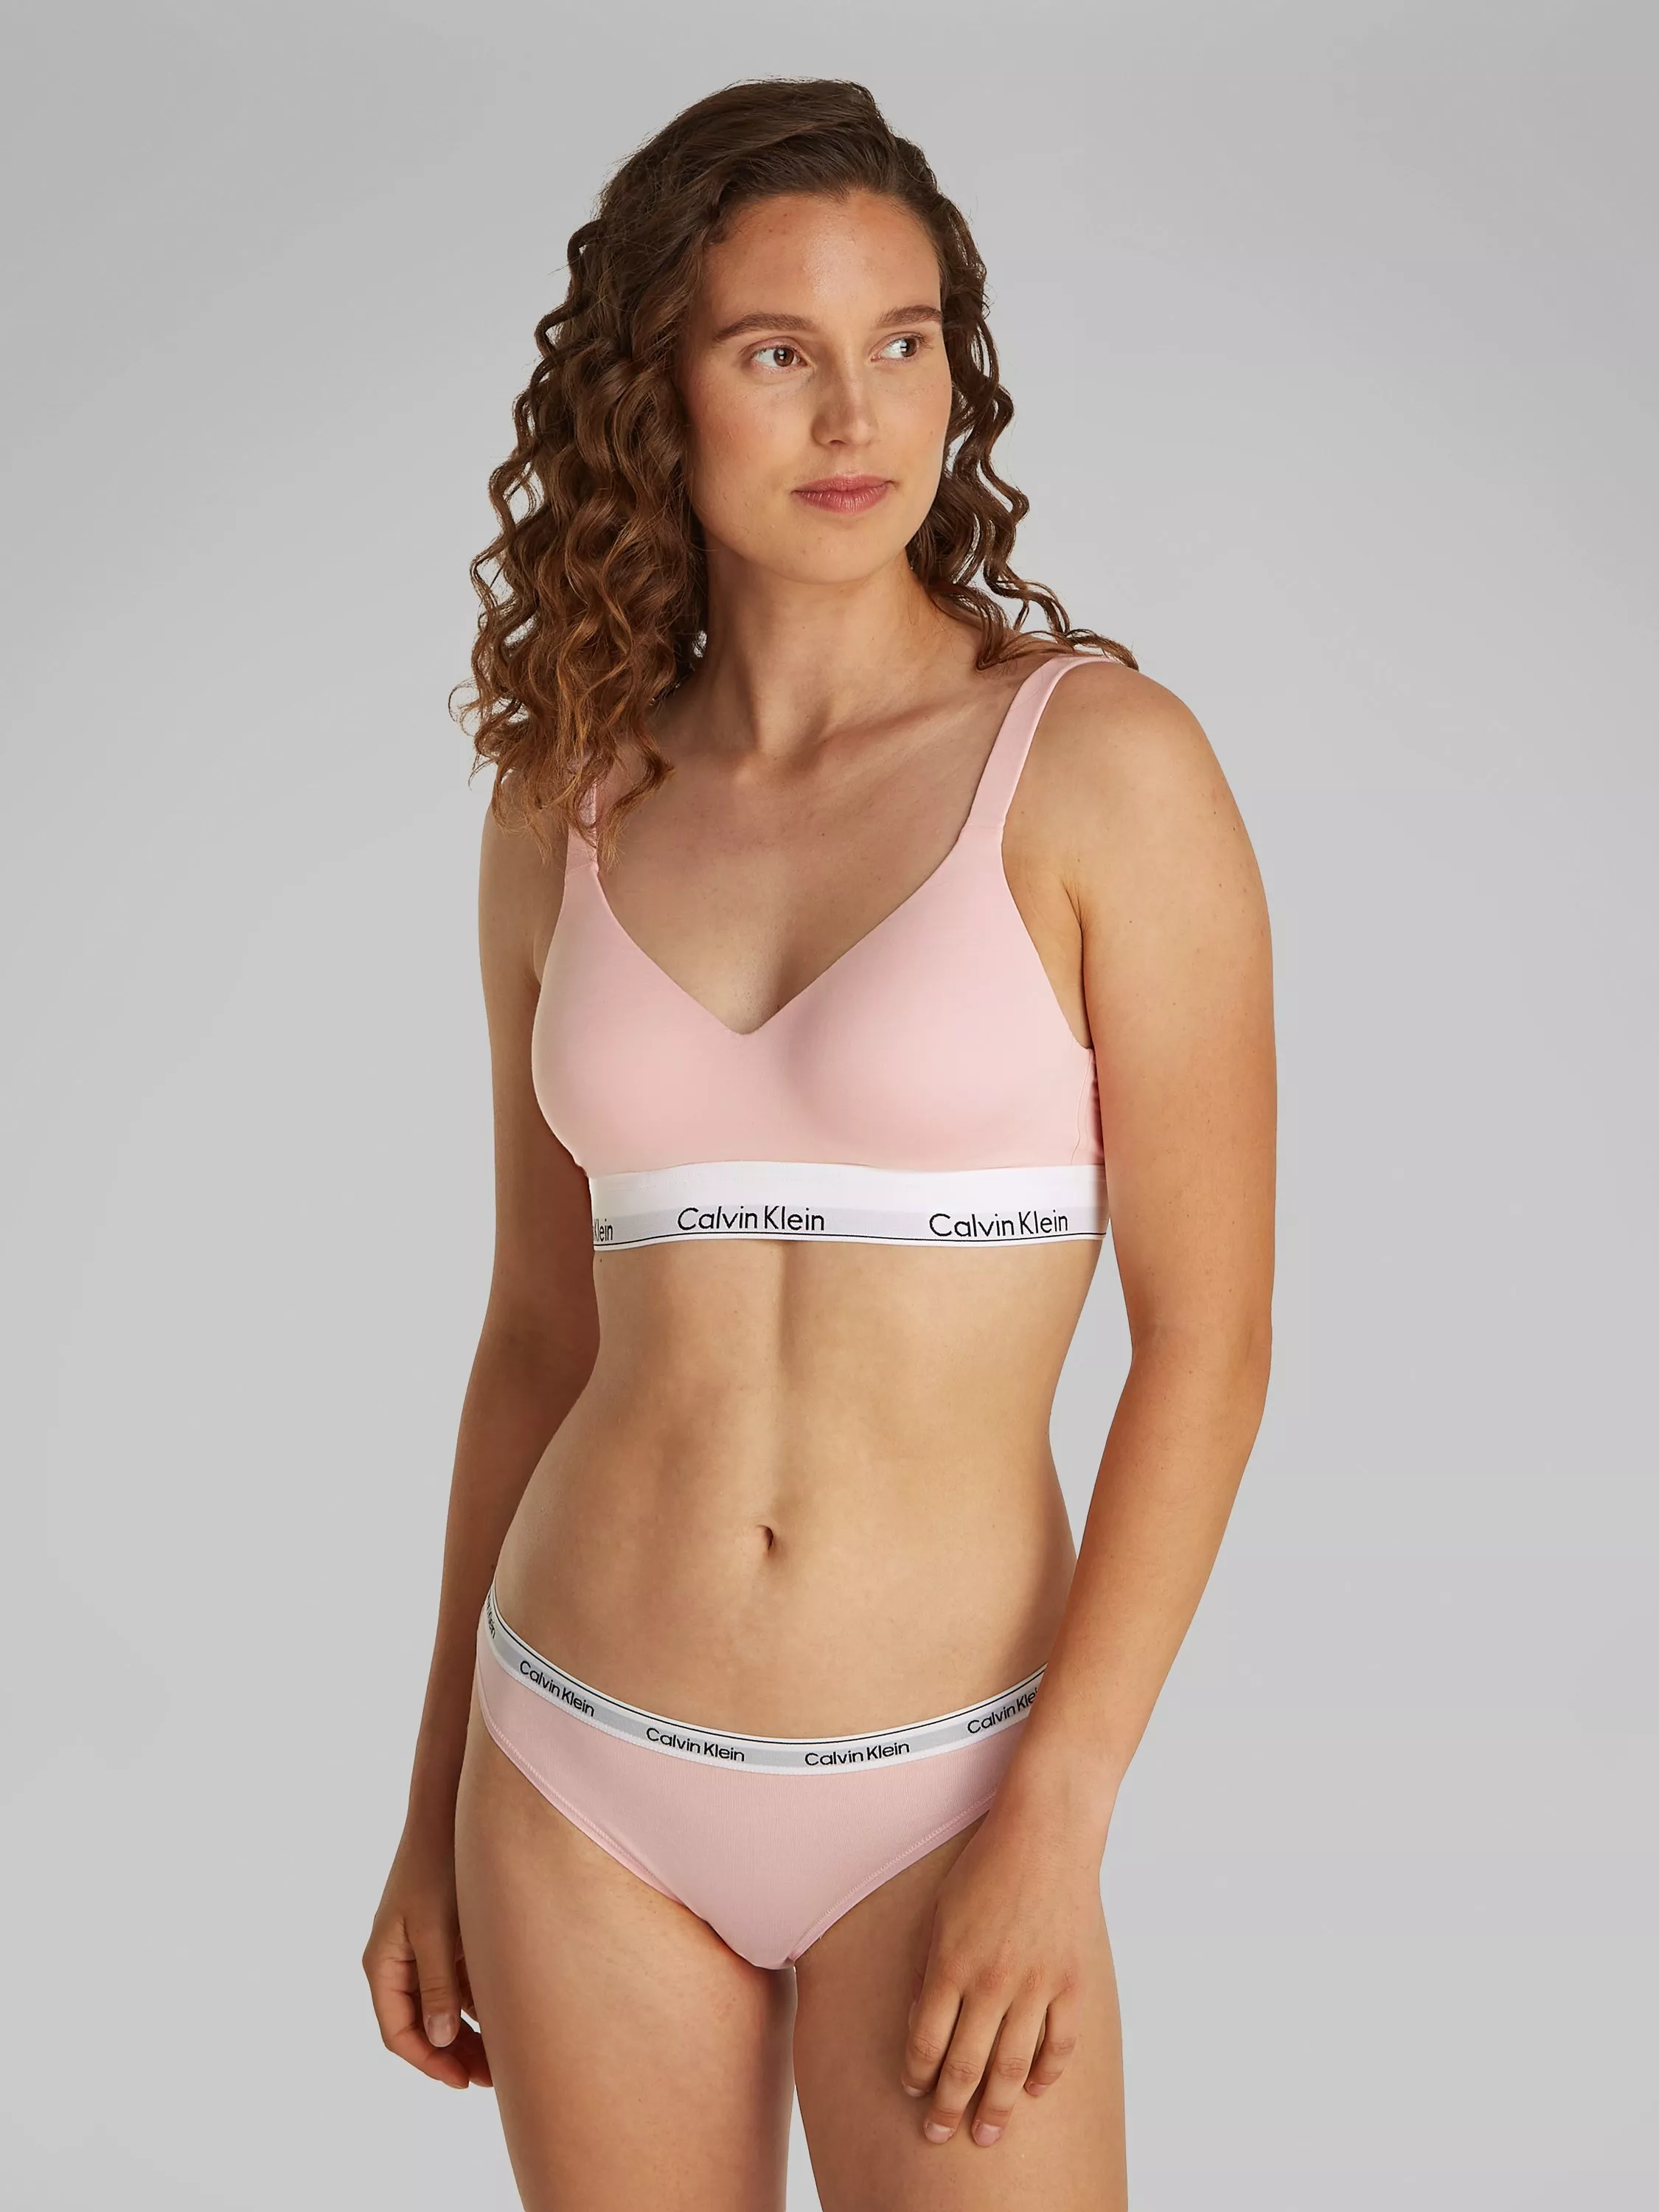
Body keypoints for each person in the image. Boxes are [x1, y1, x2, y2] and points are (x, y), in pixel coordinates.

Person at [362, 75, 1275, 2212]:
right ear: (651, 397)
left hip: (949, 1793)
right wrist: (428, 1807)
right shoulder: (569, 799)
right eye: (777, 350)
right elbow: (534, 1332)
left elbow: (1211, 1341)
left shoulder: (1101, 767)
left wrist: (1059, 1815)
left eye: (906, 340)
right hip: (576, 1762)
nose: (858, 412)